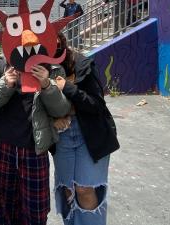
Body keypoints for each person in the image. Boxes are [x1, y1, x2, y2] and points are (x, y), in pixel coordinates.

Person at [0, 49, 71, 225]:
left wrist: (47, 84)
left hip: (35, 147)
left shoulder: (53, 67)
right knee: (5, 206)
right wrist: (6, 83)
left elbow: (61, 110)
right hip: (1, 145)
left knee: (36, 210)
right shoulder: (2, 63)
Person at [51, 32, 119, 225]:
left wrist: (67, 87)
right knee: (68, 189)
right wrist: (51, 122)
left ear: (61, 39)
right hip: (62, 137)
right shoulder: (39, 67)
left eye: (53, 39)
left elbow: (96, 104)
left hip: (89, 133)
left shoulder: (81, 63)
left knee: (84, 189)